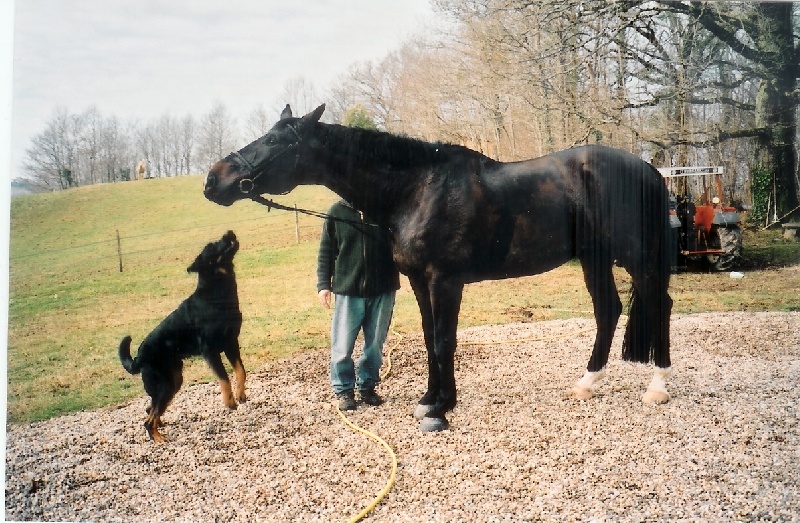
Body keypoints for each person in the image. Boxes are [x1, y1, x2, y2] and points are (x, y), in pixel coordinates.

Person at [316, 200, 400, 411]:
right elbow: (326, 251)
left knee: (374, 346)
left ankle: (368, 387)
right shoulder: (336, 212)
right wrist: (323, 285)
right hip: (348, 290)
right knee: (342, 346)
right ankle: (344, 390)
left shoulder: (384, 208)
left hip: (383, 289)